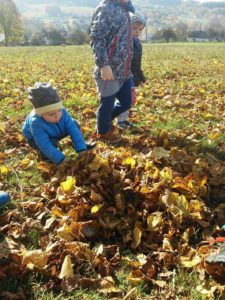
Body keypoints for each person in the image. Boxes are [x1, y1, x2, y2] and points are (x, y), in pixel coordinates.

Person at [90, 0, 136, 144]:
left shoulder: (125, 10)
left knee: (128, 101)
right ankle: (103, 132)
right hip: (109, 70)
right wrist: (103, 65)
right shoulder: (106, 9)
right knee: (107, 103)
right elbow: (97, 38)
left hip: (125, 70)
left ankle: (103, 120)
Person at [22, 82, 95, 165]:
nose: (57, 116)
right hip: (34, 138)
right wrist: (60, 160)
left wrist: (82, 149)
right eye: (51, 114)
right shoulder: (36, 122)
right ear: (41, 114)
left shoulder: (62, 112)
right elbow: (43, 143)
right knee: (49, 143)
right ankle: (47, 157)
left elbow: (73, 129)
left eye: (59, 110)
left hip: (57, 130)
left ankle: (80, 145)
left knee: (74, 124)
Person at [117, 11, 146, 128]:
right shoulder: (125, 42)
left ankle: (123, 119)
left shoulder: (138, 43)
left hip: (132, 76)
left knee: (130, 99)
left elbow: (137, 63)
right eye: (134, 28)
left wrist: (141, 76)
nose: (137, 31)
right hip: (123, 76)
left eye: (139, 29)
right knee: (126, 99)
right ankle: (119, 120)